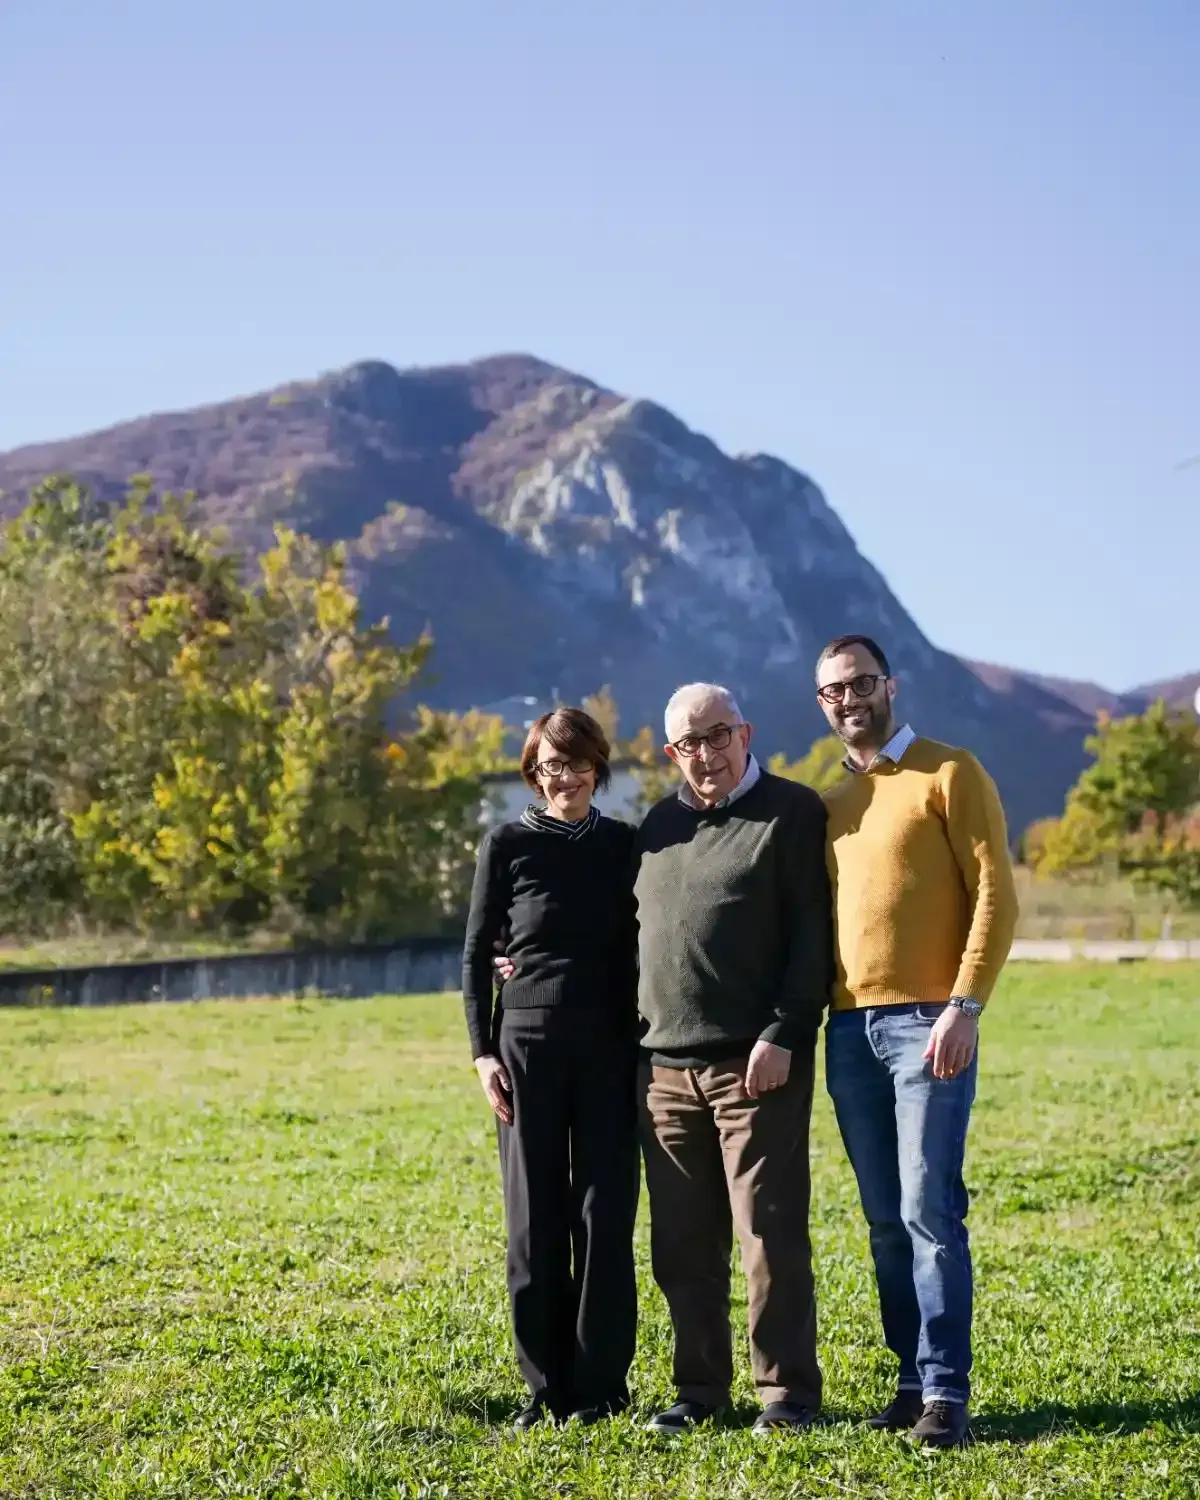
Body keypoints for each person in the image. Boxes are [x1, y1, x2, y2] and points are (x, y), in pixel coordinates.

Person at [816, 635, 1018, 1449]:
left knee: (929, 1208)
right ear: (822, 703)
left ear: (890, 686)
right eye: (833, 690)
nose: (849, 698)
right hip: (847, 1029)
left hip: (930, 1024)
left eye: (861, 682)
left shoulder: (950, 771)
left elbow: (997, 893)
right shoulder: (832, 803)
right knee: (882, 1220)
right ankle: (909, 1379)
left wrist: (964, 1005)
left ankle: (946, 1393)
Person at [634, 682, 832, 1436]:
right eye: (691, 743)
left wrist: (785, 1031)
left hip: (755, 1064)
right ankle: (699, 1392)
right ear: (671, 753)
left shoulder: (791, 812)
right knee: (682, 1242)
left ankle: (785, 1397)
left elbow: (813, 935)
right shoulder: (655, 828)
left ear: (745, 732)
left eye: (719, 735)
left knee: (767, 1234)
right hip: (661, 1070)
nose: (707, 754)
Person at [461, 706, 640, 1431]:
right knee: (534, 1222)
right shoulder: (507, 844)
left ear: (598, 765)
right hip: (525, 1048)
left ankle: (601, 1388)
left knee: (604, 1217)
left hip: (609, 1045)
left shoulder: (627, 845)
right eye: (548, 766)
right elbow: (477, 953)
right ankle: (545, 1387)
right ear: (533, 774)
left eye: (575, 762)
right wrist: (481, 1052)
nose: (563, 777)